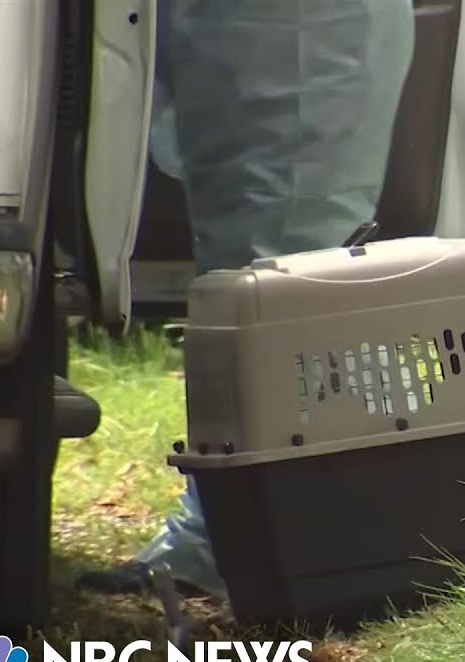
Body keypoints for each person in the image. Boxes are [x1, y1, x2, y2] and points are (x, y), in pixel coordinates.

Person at [79, 0, 416, 598]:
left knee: (292, 279)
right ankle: (246, 527)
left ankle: (310, 532)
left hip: (300, 34)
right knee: (249, 276)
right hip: (235, 31)